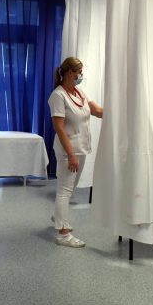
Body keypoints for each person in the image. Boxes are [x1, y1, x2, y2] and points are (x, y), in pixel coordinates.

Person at [48, 57, 103, 248]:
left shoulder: (79, 92)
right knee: (64, 190)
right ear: (70, 73)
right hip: (68, 150)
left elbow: (96, 110)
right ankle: (63, 234)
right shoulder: (58, 96)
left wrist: (119, 111)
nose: (81, 75)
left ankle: (58, 216)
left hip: (81, 148)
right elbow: (59, 128)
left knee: (70, 188)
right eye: (79, 72)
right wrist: (71, 154)